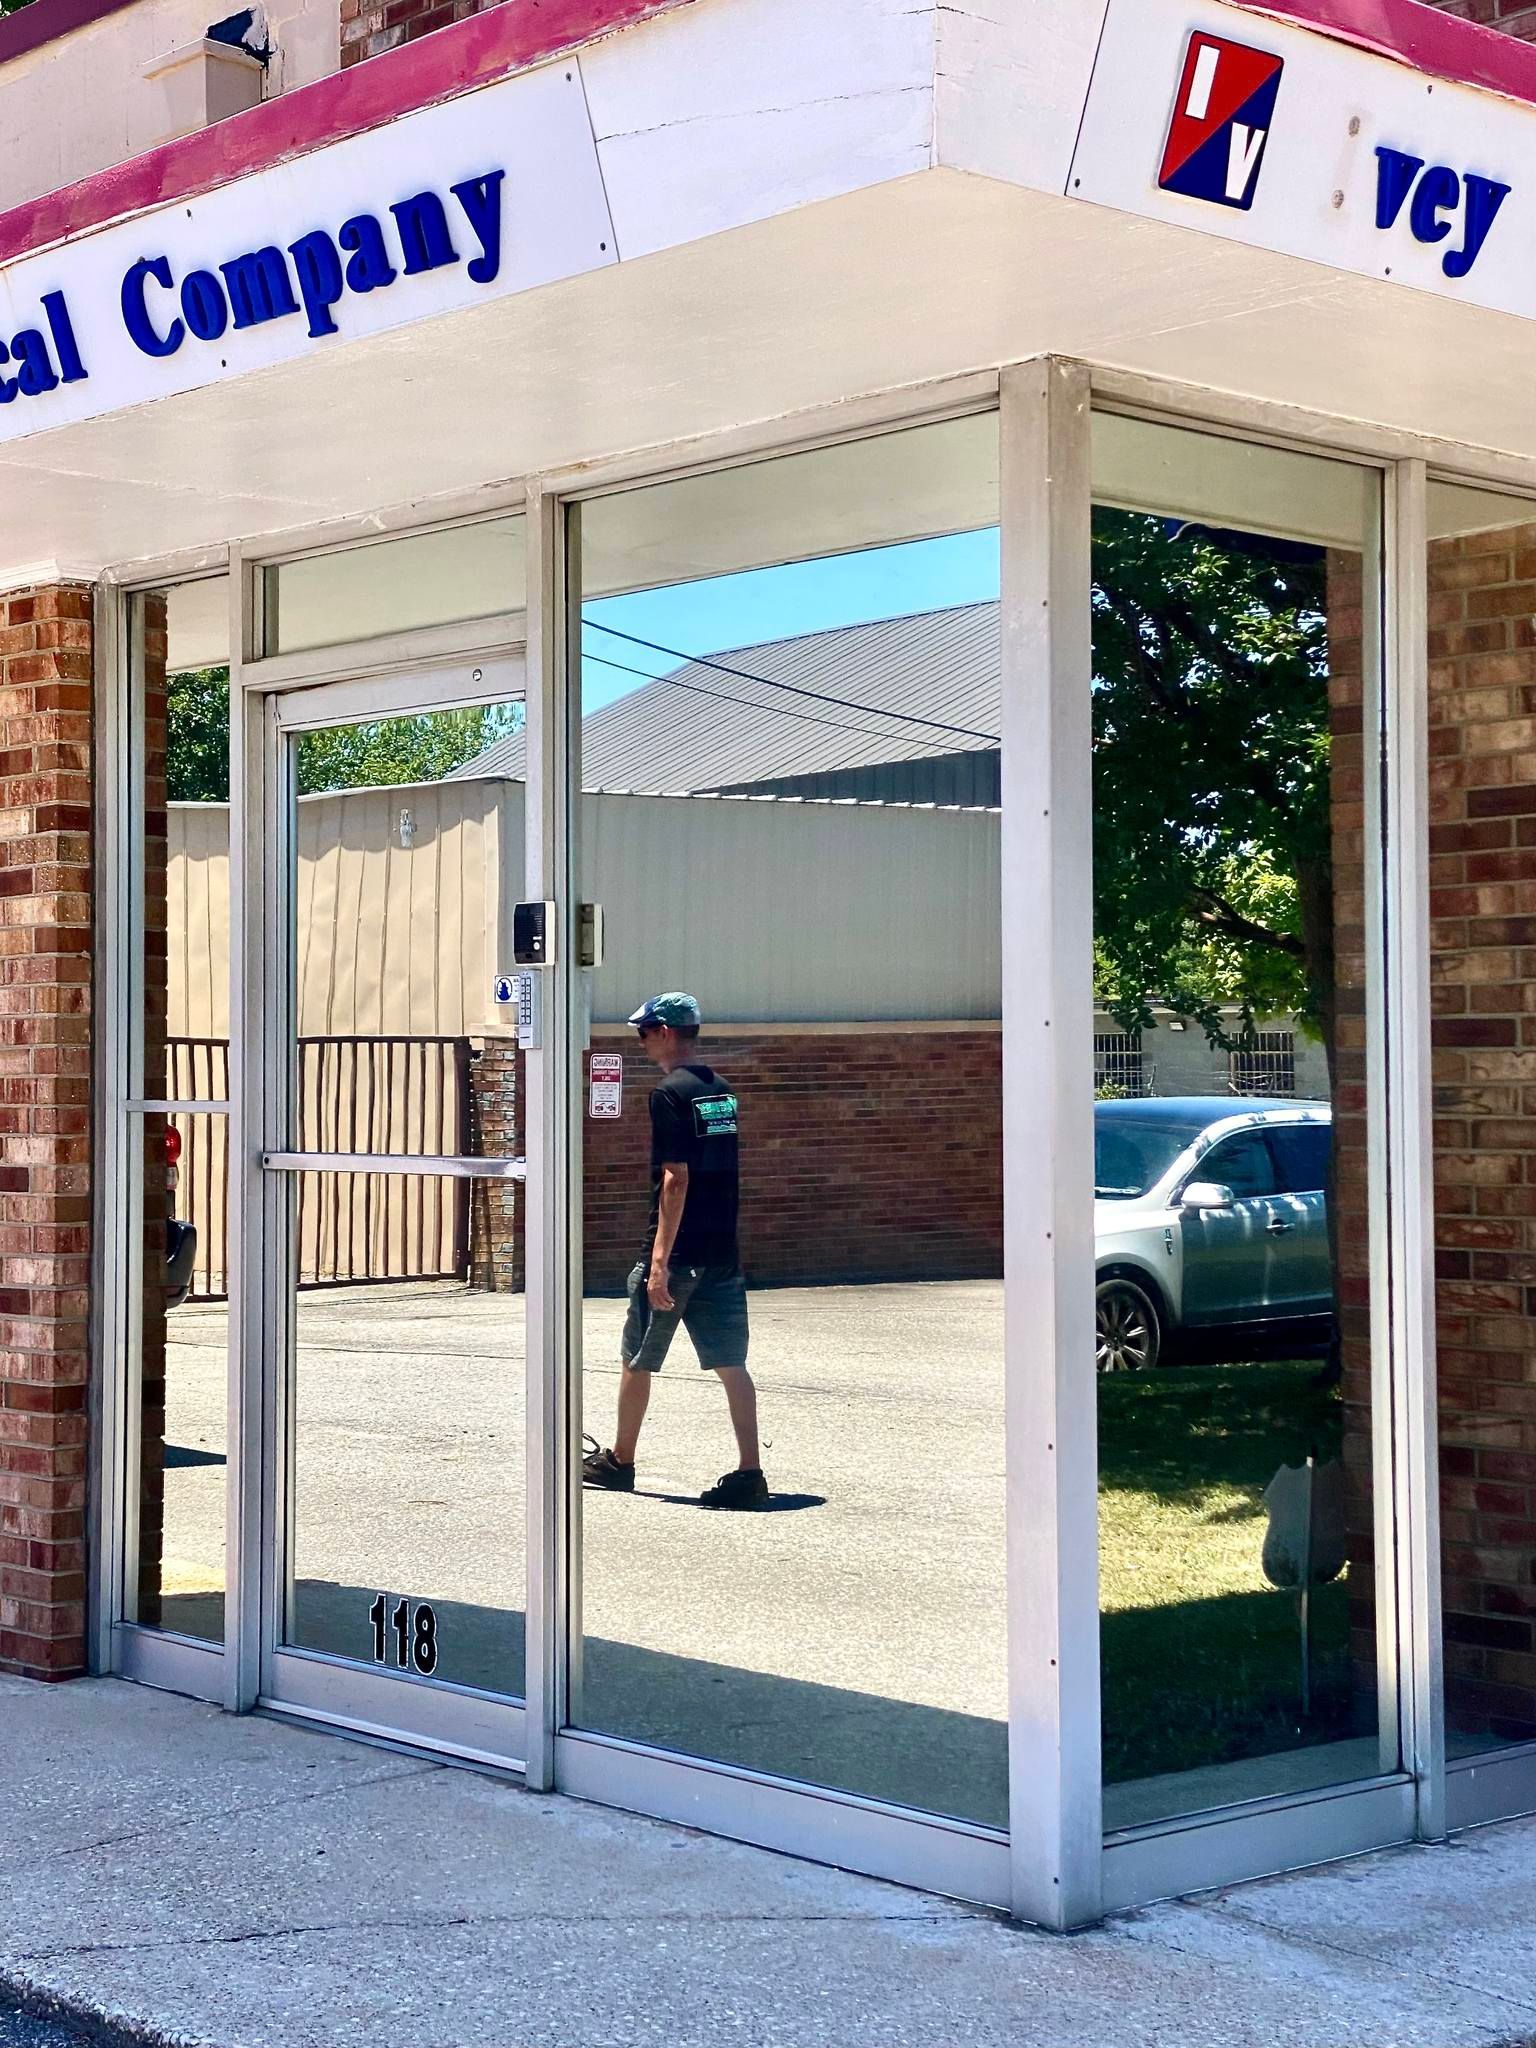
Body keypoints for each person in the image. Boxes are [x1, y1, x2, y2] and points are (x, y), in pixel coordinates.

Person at [582, 991, 768, 1509]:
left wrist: (659, 1261)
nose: (641, 1041)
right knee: (732, 1363)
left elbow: (675, 1178)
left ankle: (620, 1461)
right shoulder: (721, 1091)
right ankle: (750, 1471)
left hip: (680, 1253)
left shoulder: (669, 1093)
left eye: (644, 1032)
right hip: (722, 1254)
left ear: (664, 1032)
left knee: (637, 1358)